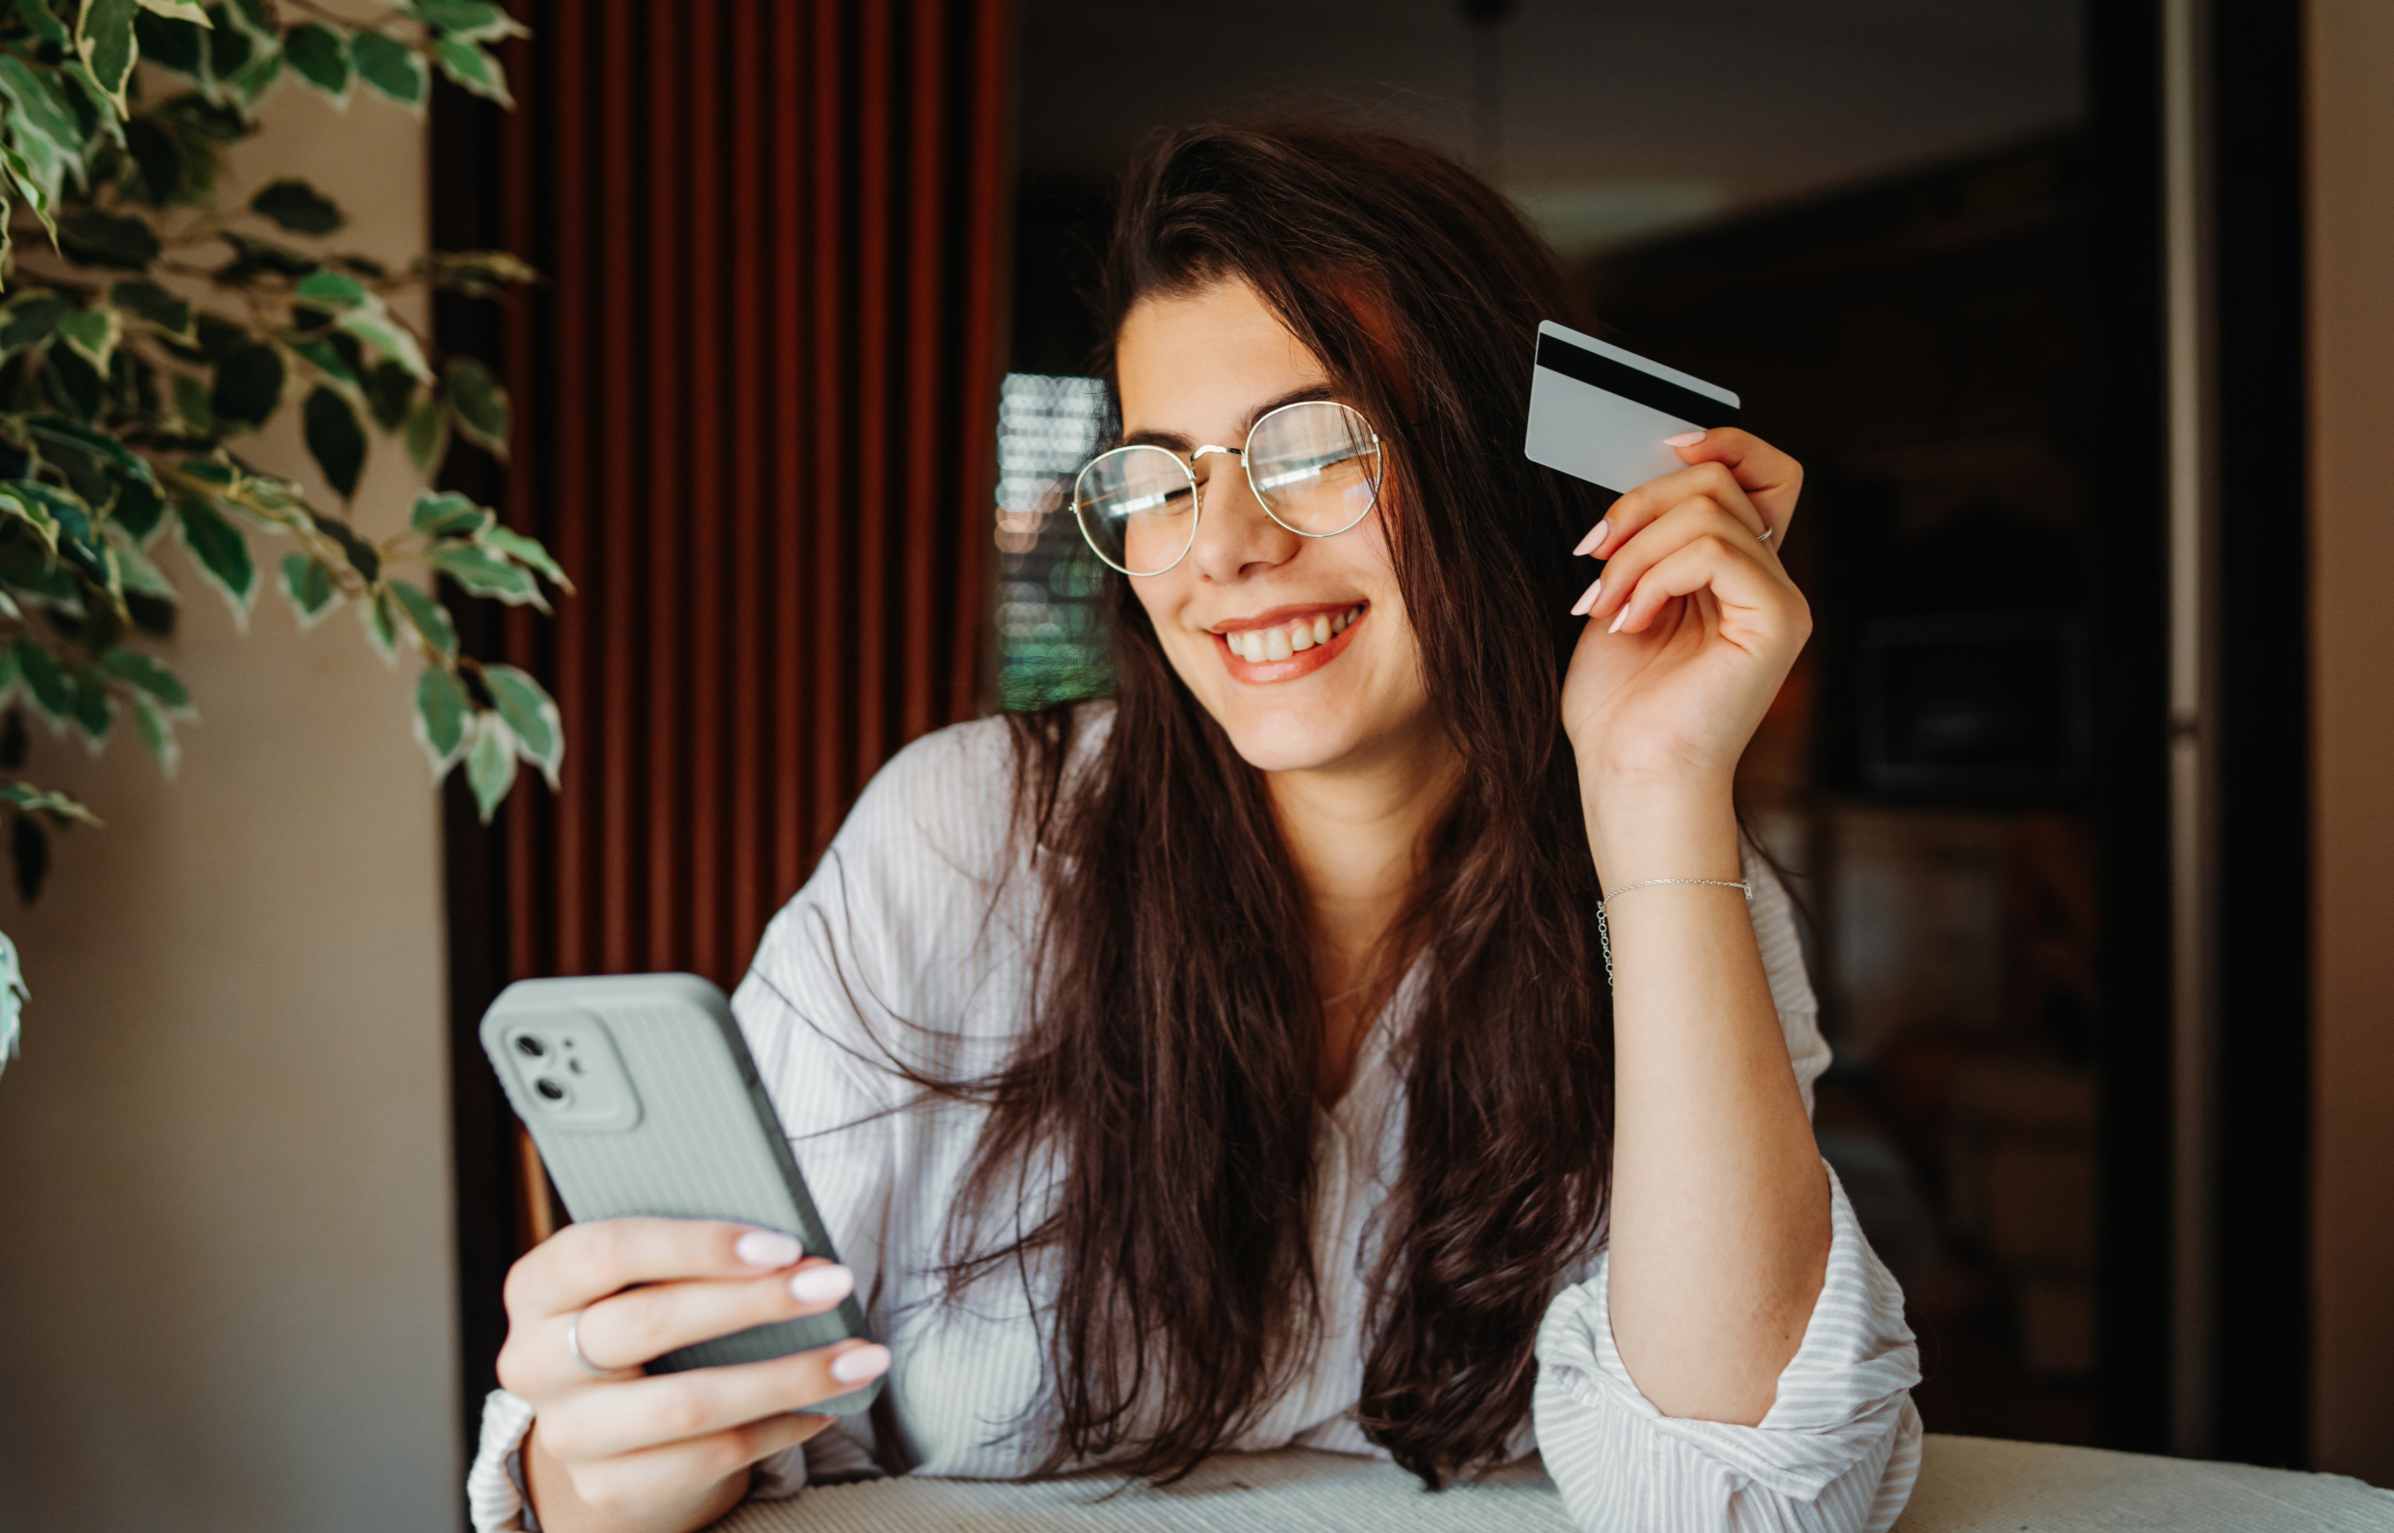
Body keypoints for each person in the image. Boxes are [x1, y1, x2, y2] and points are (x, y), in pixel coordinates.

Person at [466, 119, 1923, 1533]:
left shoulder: (1679, 900)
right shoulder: (970, 834)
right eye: (1158, 477)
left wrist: (1657, 788)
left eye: (1308, 449)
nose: (1220, 548)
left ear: (1500, 470)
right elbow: (718, 1419)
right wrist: (594, 1473)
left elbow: (1742, 1503)